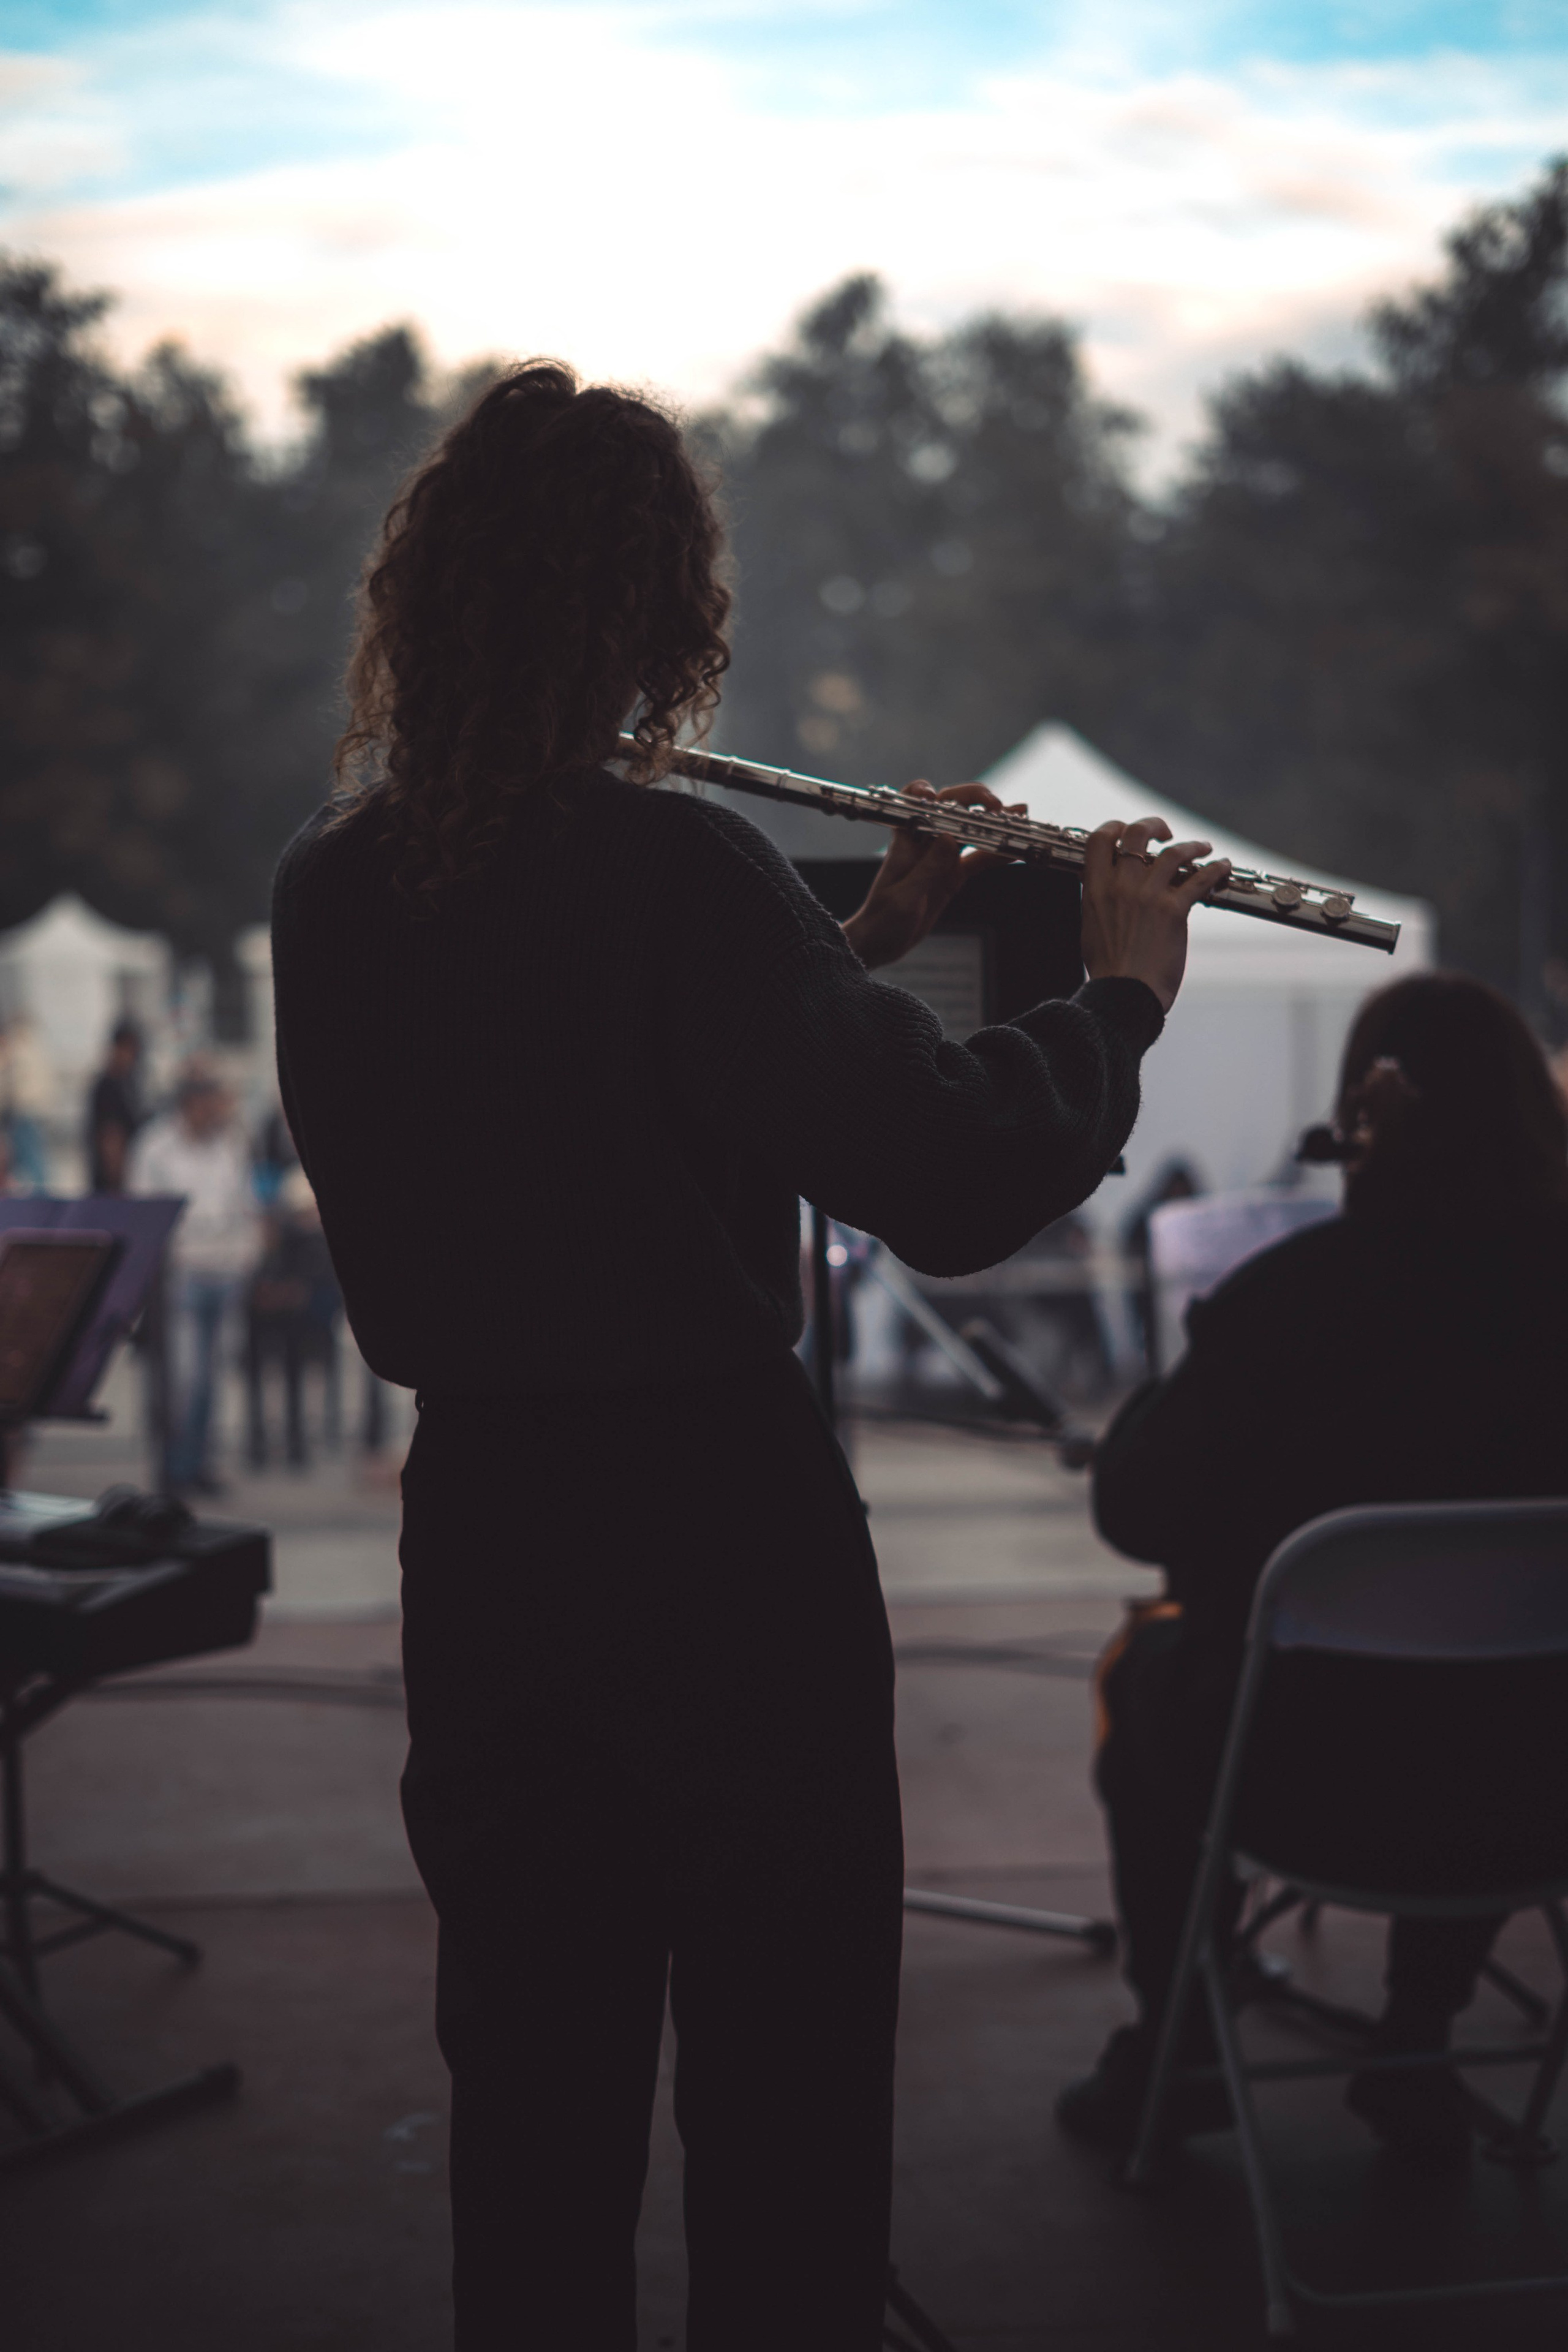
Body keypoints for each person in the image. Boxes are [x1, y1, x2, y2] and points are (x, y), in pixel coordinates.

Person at [270, 361, 1227, 2352]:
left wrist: (861, 938)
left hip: (493, 1548)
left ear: (433, 599)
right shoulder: (676, 865)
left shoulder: (333, 892)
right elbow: (952, 1176)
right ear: (647, 611)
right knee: (785, 2113)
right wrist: (1122, 994)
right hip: (721, 1544)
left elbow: (586, 1088)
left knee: (531, 2113)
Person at [1062, 973, 1568, 2172]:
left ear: (1368, 1109)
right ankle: (1412, 2043)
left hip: (1304, 1781)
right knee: (1493, 1698)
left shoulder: (1292, 1296)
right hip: (1541, 1790)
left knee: (1145, 1669)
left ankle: (1176, 2047)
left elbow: (1133, 1510)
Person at [129, 1063, 262, 1494]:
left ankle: (199, 1462)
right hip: (182, 1273)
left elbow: (246, 1203)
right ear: (189, 1104)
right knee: (183, 1377)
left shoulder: (229, 1144)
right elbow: (144, 1210)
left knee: (213, 1377)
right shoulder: (156, 1146)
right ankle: (172, 1465)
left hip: (224, 1270)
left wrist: (246, 1254)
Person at [85, 1019, 145, 1194]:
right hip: (112, 1184)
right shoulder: (107, 1086)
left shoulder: (130, 1082)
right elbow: (110, 1139)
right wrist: (117, 1184)